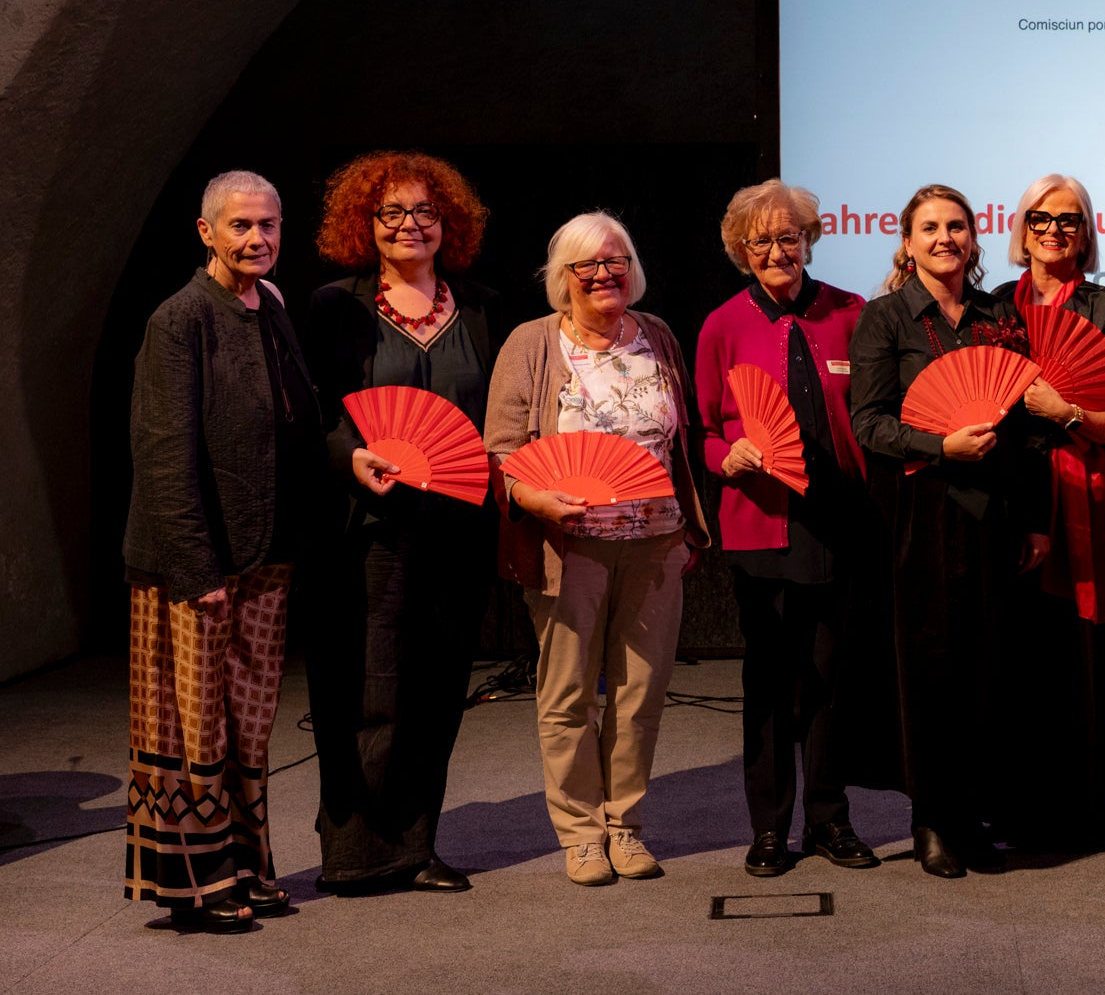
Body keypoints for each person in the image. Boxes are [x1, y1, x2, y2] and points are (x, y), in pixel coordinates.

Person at [483, 211, 711, 887]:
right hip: (569, 543)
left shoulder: (659, 335)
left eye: (616, 260)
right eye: (588, 264)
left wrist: (688, 526)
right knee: (569, 693)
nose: (605, 273)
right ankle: (581, 833)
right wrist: (537, 499)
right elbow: (502, 450)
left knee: (642, 692)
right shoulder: (532, 343)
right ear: (565, 276)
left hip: (655, 540)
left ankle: (626, 824)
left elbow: (681, 438)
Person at [123, 170, 323, 932]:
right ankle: (196, 885)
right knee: (191, 724)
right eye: (240, 226)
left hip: (263, 551)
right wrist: (195, 568)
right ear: (207, 232)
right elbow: (164, 453)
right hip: (193, 562)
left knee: (248, 721)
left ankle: (245, 863)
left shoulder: (268, 305)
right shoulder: (179, 320)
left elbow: (293, 411)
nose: (257, 239)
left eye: (268, 225)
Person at [303, 151, 507, 894]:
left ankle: (418, 844)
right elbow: (313, 412)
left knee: (438, 685)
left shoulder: (481, 306)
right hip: (369, 529)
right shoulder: (336, 305)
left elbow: (497, 419)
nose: (409, 225)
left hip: (457, 526)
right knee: (367, 684)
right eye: (392, 212)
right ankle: (355, 852)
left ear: (446, 222)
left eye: (423, 211)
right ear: (367, 223)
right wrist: (349, 455)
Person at [847, 182, 1050, 877]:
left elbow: (1027, 429)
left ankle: (972, 813)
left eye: (957, 226)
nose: (945, 238)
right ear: (907, 242)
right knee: (930, 670)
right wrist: (941, 448)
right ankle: (931, 816)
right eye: (929, 227)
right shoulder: (885, 319)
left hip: (995, 515)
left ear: (974, 238)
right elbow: (868, 422)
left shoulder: (1000, 316)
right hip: (923, 514)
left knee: (988, 667)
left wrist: (1035, 521)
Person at [694, 179, 879, 878]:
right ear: (743, 249)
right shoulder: (722, 324)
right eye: (761, 240)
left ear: (809, 239)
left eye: (789, 235)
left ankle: (830, 819)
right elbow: (703, 432)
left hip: (837, 520)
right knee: (771, 681)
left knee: (831, 677)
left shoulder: (850, 313)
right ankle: (769, 827)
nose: (777, 249)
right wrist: (726, 455)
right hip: (760, 521)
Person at [990, 173, 1105, 849]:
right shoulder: (994, 307)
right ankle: (1014, 808)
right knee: (1014, 657)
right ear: (1022, 230)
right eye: (1042, 219)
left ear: (1087, 233)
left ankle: (1080, 814)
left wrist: (1067, 410)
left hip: (1082, 495)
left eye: (1070, 220)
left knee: (1080, 657)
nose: (1055, 231)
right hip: (1009, 494)